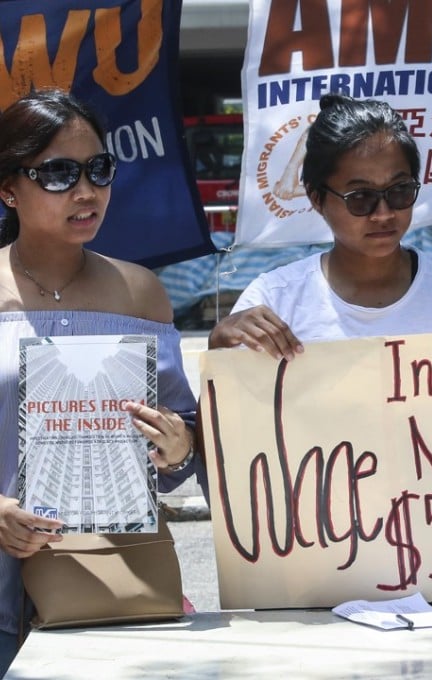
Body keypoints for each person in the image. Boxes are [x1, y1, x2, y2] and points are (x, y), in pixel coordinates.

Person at [0, 89, 203, 672]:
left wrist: (176, 446)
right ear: (8, 188)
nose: (86, 191)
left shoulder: (141, 291)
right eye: (59, 173)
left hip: (106, 569)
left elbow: (180, 441)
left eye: (99, 169)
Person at [208, 92, 432, 356]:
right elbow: (224, 423)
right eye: (360, 198)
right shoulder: (274, 302)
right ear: (317, 198)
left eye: (400, 191)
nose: (384, 213)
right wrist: (221, 351)